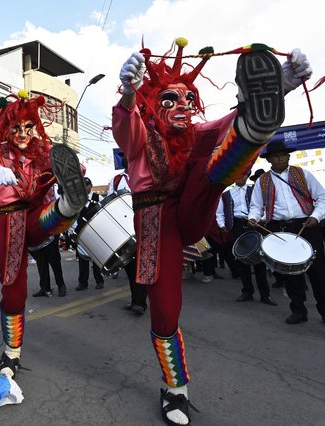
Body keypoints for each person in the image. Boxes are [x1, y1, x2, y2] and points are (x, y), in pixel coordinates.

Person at [113, 38, 311, 425]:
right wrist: (127, 95)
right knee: (166, 311)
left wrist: (277, 89)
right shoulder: (140, 131)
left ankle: (254, 129)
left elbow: (221, 125)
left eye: (188, 100)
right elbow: (126, 129)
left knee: (211, 152)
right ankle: (175, 390)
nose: (183, 106)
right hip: (156, 220)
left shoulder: (196, 132)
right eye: (170, 100)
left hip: (194, 203)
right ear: (153, 105)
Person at [0, 90, 87, 381]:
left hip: (36, 214)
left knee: (48, 217)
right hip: (7, 216)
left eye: (28, 127)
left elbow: (75, 167)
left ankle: (69, 204)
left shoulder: (40, 150)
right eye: (16, 128)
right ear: (6, 127)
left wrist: (67, 169)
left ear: (35, 127)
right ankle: (12, 352)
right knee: (13, 286)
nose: (22, 133)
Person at [247, 141, 325, 324]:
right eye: (276, 156)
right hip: (279, 229)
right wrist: (253, 218)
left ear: (289, 157)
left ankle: (324, 309)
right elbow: (256, 206)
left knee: (318, 270)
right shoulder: (262, 181)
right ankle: (298, 310)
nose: (280, 158)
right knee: (291, 272)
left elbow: (322, 197)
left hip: (307, 225)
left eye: (283, 155)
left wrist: (316, 216)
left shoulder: (303, 174)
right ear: (270, 160)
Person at [217, 170, 276, 305]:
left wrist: (260, 220)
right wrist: (222, 226)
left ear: (247, 176)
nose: (241, 177)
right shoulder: (226, 195)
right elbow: (219, 213)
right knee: (242, 261)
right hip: (237, 226)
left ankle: (265, 295)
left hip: (254, 225)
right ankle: (247, 292)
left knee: (259, 260)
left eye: (243, 174)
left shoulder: (255, 191)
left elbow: (266, 208)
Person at [108, 154, 147, 314]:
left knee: (140, 265)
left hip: (143, 223)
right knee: (129, 265)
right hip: (123, 227)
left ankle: (140, 302)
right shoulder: (116, 180)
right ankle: (136, 300)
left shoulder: (144, 174)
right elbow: (110, 201)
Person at [75, 177, 105, 290]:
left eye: (87, 185)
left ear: (90, 186)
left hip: (95, 233)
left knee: (96, 260)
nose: (85, 187)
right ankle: (83, 283)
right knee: (82, 260)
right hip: (82, 233)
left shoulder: (98, 197)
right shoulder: (77, 200)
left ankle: (99, 281)